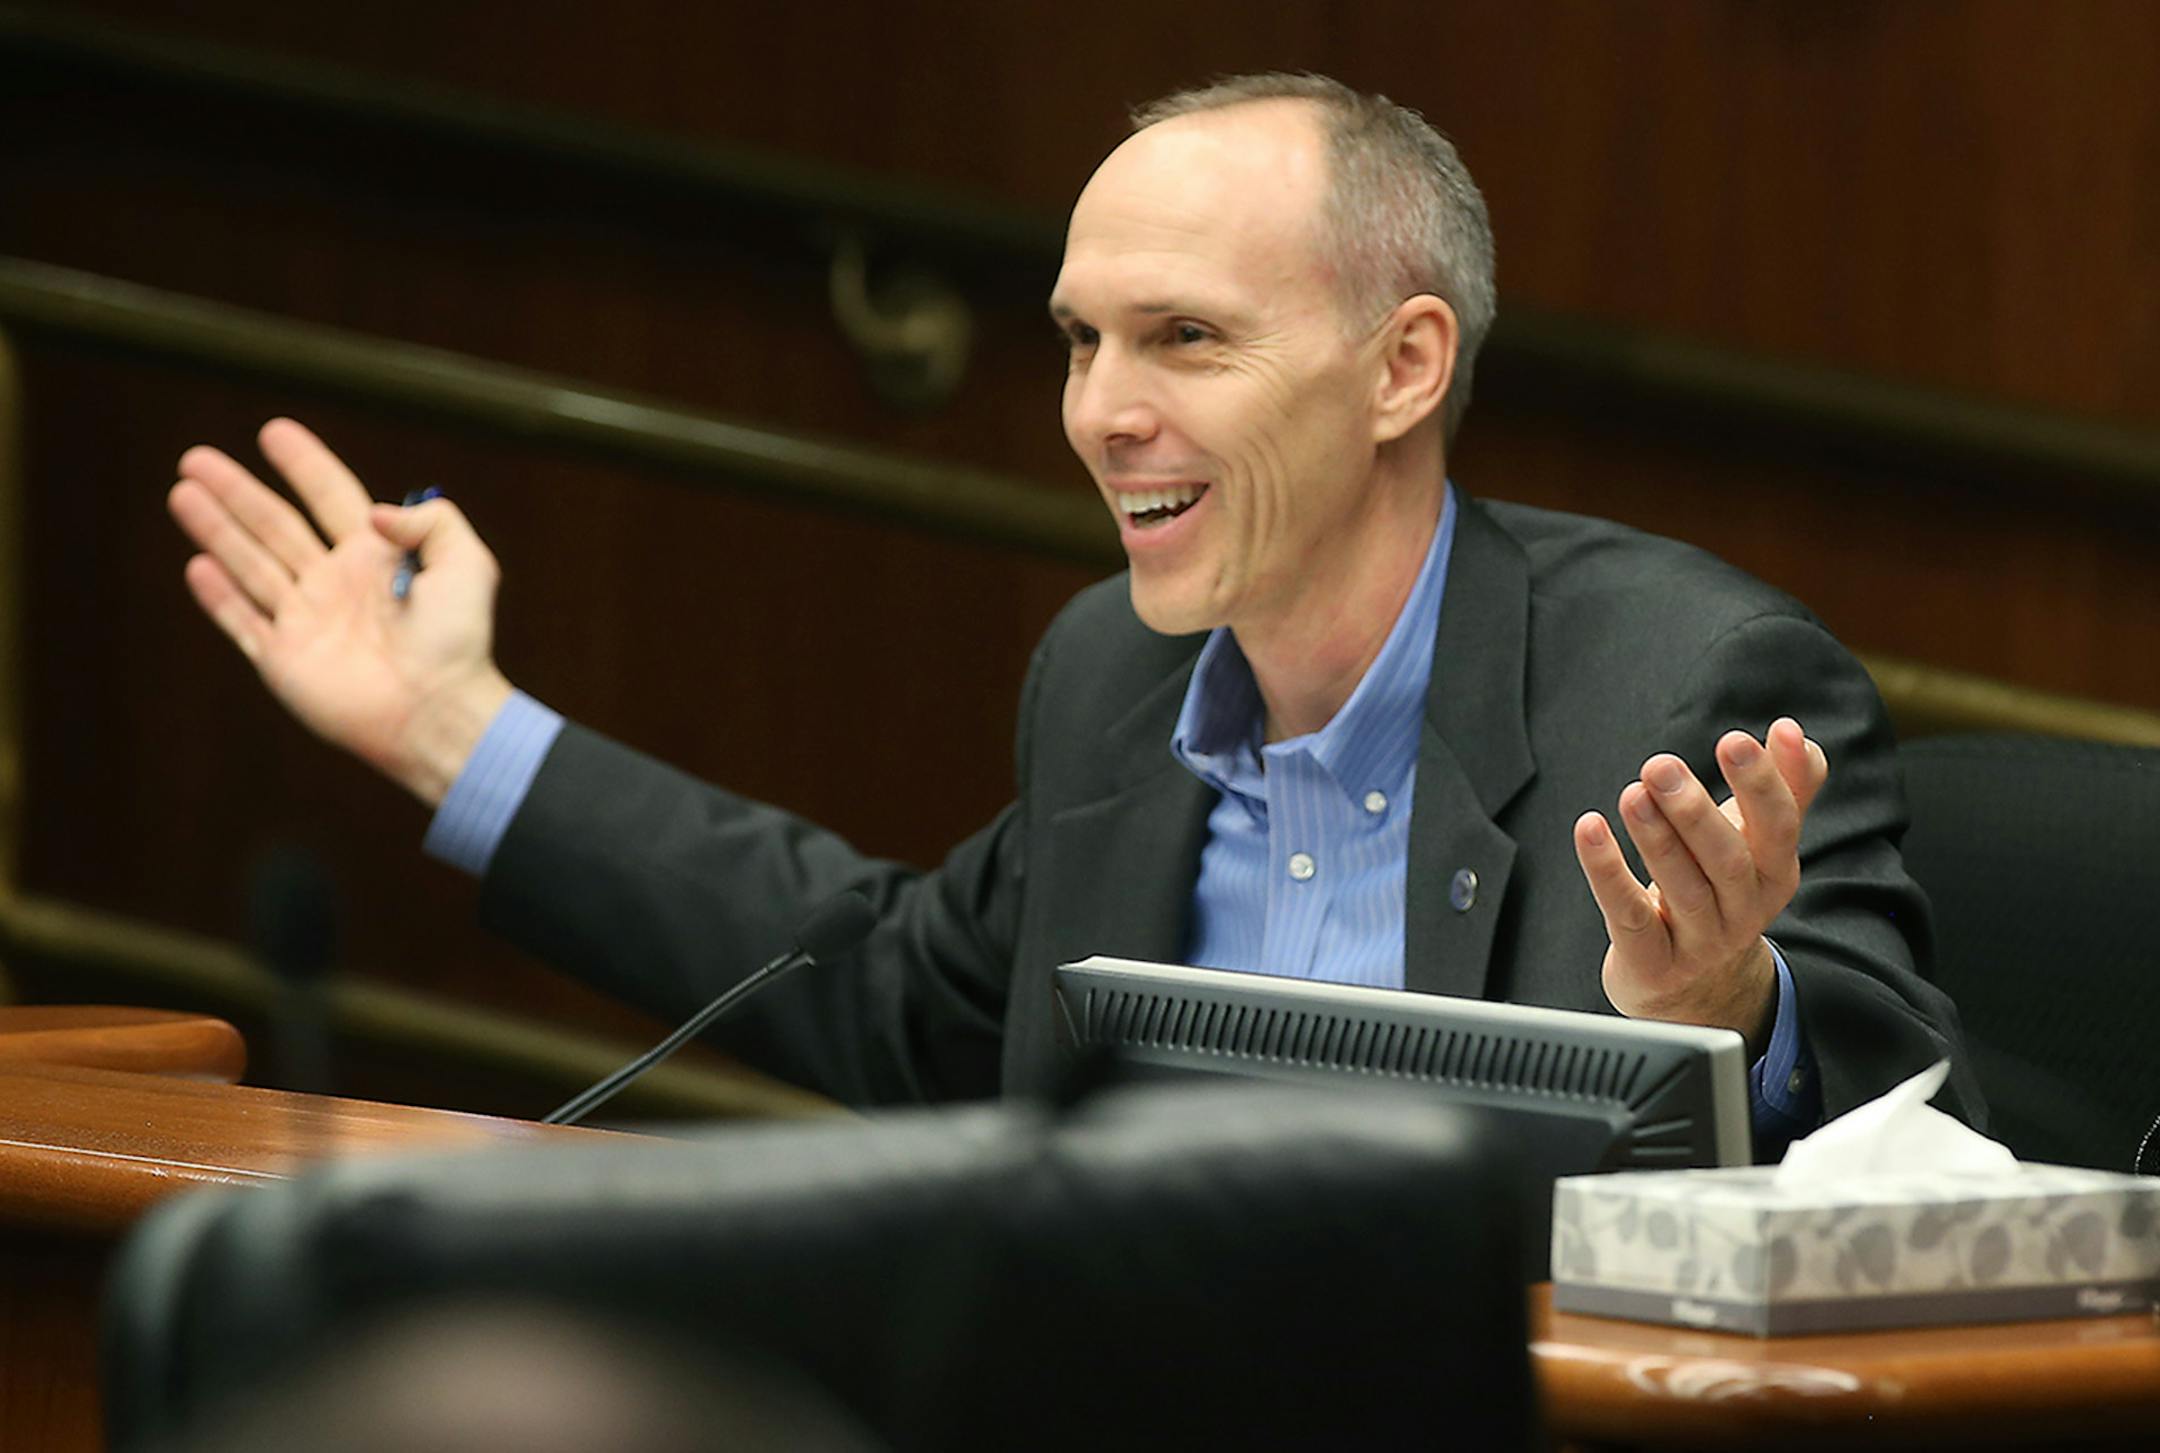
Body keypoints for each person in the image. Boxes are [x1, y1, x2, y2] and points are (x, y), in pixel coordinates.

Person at [165, 73, 1981, 1149]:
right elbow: (886, 985)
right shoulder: (1115, 675)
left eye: (1184, 336)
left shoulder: (1687, 682)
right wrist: (447, 727)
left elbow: (1931, 1138)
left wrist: (1732, 1013)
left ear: (1402, 367)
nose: (1099, 409)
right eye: (1081, 338)